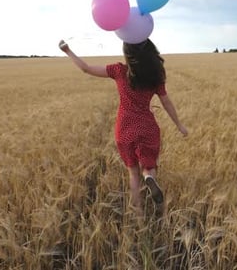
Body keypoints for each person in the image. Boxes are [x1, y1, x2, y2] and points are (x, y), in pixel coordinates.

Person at [59, 38, 188, 213]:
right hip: (147, 126)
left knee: (132, 173)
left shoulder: (119, 70)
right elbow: (166, 102)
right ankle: (150, 178)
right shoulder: (156, 74)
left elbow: (86, 68)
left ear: (128, 53)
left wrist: (68, 50)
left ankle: (138, 213)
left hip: (125, 128)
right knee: (148, 165)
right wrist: (179, 125)